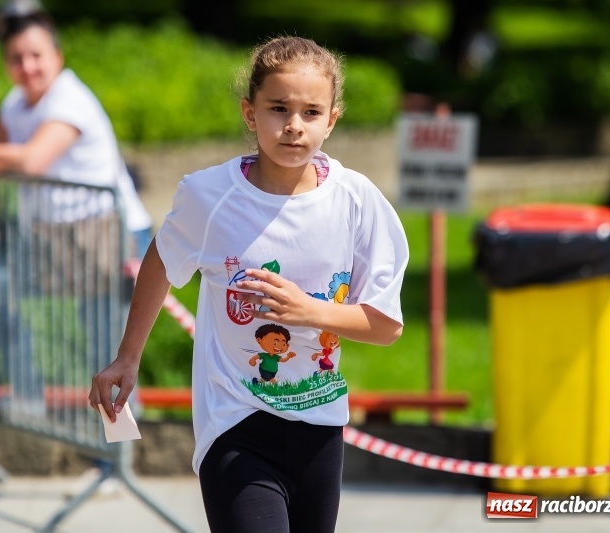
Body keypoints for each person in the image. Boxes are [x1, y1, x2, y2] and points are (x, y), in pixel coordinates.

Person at [90, 36, 409, 532]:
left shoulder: (357, 201)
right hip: (235, 424)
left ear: (332, 119)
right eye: (278, 108)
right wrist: (128, 356)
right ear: (249, 112)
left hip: (320, 426)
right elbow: (160, 258)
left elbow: (386, 325)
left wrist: (311, 312)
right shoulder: (209, 196)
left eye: (310, 112)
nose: (293, 126)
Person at [0, 10, 154, 416]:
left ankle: (116, 460)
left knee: (107, 350)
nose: (27, 67)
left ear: (58, 55)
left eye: (35, 55)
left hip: (107, 236)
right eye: (16, 58)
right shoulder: (15, 103)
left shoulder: (70, 99)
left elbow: (33, 159)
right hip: (50, 238)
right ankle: (28, 396)